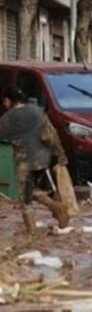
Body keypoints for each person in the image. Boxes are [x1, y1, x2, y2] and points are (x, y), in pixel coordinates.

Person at [0, 86, 69, 233]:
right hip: (43, 158)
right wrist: (60, 153)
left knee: (25, 199)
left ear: (8, 100)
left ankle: (31, 233)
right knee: (30, 190)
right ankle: (54, 206)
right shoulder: (37, 111)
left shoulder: (8, 118)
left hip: (24, 161)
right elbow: (50, 135)